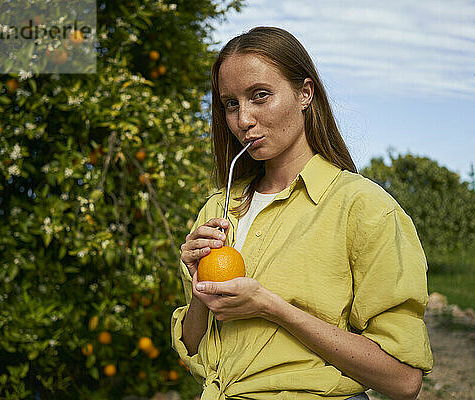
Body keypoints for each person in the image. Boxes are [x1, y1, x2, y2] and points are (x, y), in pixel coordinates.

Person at [171, 26, 433, 400]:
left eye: (260, 96)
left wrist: (271, 307)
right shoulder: (218, 209)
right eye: (231, 103)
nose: (243, 119)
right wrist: (200, 291)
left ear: (304, 93)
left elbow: (403, 380)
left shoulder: (363, 207)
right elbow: (194, 348)